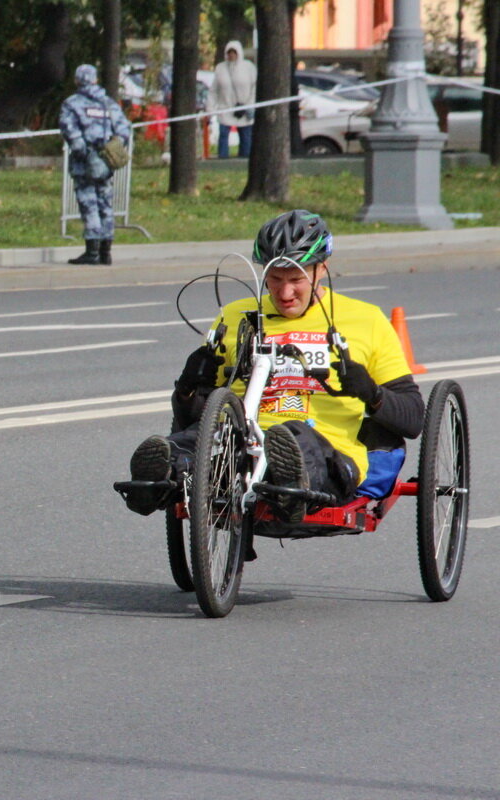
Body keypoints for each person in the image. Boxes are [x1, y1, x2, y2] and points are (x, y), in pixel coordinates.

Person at [120, 210, 424, 526]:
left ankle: (290, 487)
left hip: (324, 446)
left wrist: (370, 392)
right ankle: (161, 478)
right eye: (274, 279)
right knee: (195, 443)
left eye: (295, 280)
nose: (284, 293)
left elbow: (413, 419)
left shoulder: (366, 320)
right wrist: (188, 388)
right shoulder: (236, 316)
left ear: (322, 269)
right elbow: (196, 415)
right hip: (239, 440)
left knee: (294, 438)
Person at [58, 63, 132, 266]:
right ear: (95, 80)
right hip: (105, 162)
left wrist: (82, 150)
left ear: (76, 81)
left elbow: (69, 129)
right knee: (105, 203)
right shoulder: (108, 103)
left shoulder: (71, 104)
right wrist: (111, 148)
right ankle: (106, 251)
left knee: (88, 201)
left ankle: (92, 251)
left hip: (85, 162)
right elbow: (124, 129)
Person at [211, 41, 257, 159]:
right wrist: (211, 107)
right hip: (225, 108)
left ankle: (245, 159)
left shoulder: (249, 67)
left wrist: (250, 105)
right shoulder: (220, 68)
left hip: (244, 108)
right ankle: (223, 159)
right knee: (223, 134)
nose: (231, 55)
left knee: (246, 136)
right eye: (229, 53)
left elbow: (254, 87)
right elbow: (214, 90)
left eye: (234, 53)